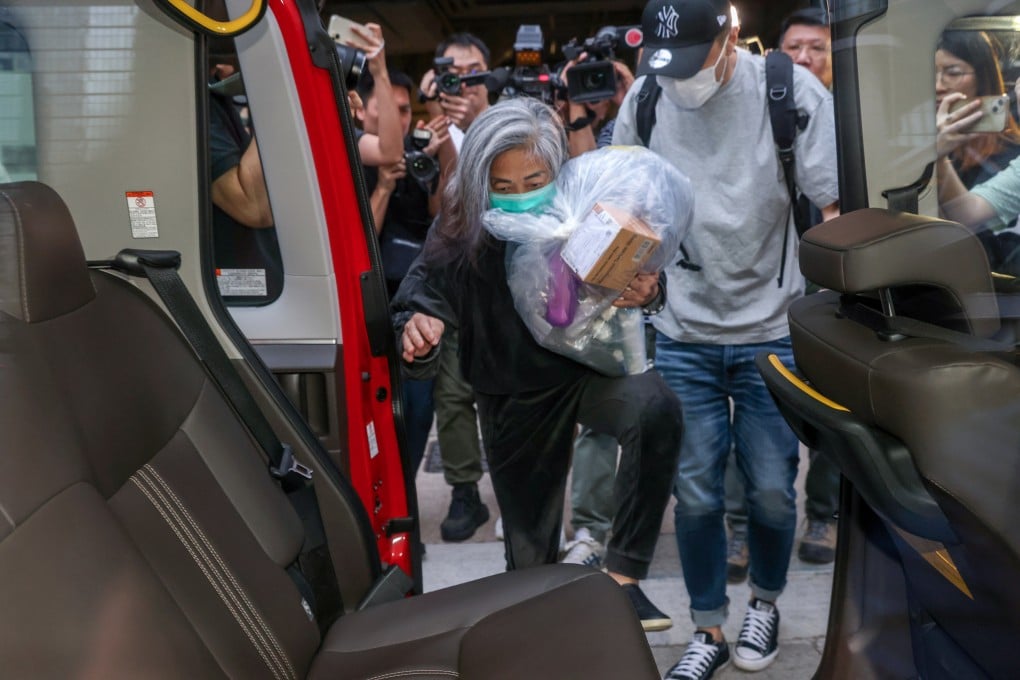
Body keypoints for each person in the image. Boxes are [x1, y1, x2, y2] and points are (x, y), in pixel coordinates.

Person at [392, 97, 685, 632]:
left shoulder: (583, 200)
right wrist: (420, 330)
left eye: (534, 180)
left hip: (586, 375)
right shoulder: (461, 226)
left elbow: (638, 264)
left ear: (556, 170)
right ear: (480, 182)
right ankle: (539, 638)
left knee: (655, 408)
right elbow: (418, 297)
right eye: (503, 186)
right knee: (529, 557)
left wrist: (649, 289)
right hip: (511, 392)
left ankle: (623, 577)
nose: (522, 195)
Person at [613, 1, 838, 676]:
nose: (680, 78)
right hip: (684, 333)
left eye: (694, 59)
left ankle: (764, 602)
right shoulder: (646, 98)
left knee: (771, 489)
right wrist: (629, 274)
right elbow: (621, 204)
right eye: (667, 63)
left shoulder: (790, 91)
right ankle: (707, 627)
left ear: (731, 35)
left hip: (773, 329)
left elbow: (832, 210)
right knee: (697, 493)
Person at [724, 6, 840, 580]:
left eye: (818, 49)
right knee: (748, 402)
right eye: (794, 48)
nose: (805, 59)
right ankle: (739, 525)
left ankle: (823, 514)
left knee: (831, 402)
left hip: (829, 281)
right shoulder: (761, 108)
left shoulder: (848, 120)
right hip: (768, 283)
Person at [416, 33, 494, 542]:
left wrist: (480, 123)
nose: (462, 82)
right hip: (456, 284)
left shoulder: (512, 121)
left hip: (508, 286)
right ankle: (465, 490)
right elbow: (440, 209)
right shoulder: (435, 130)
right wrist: (441, 131)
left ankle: (516, 489)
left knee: (508, 396)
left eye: (472, 71)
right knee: (452, 397)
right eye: (452, 71)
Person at [356, 68, 451, 474]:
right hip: (369, 305)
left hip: (415, 302)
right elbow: (359, 246)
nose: (400, 119)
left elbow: (441, 213)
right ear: (361, 110)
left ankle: (406, 492)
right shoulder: (354, 156)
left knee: (418, 409)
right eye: (388, 109)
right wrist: (383, 187)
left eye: (405, 110)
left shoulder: (419, 153)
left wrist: (435, 162)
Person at [935, 30, 1020, 273]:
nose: (938, 86)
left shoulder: (1008, 150)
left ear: (983, 78)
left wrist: (937, 156)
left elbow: (968, 219)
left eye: (953, 73)